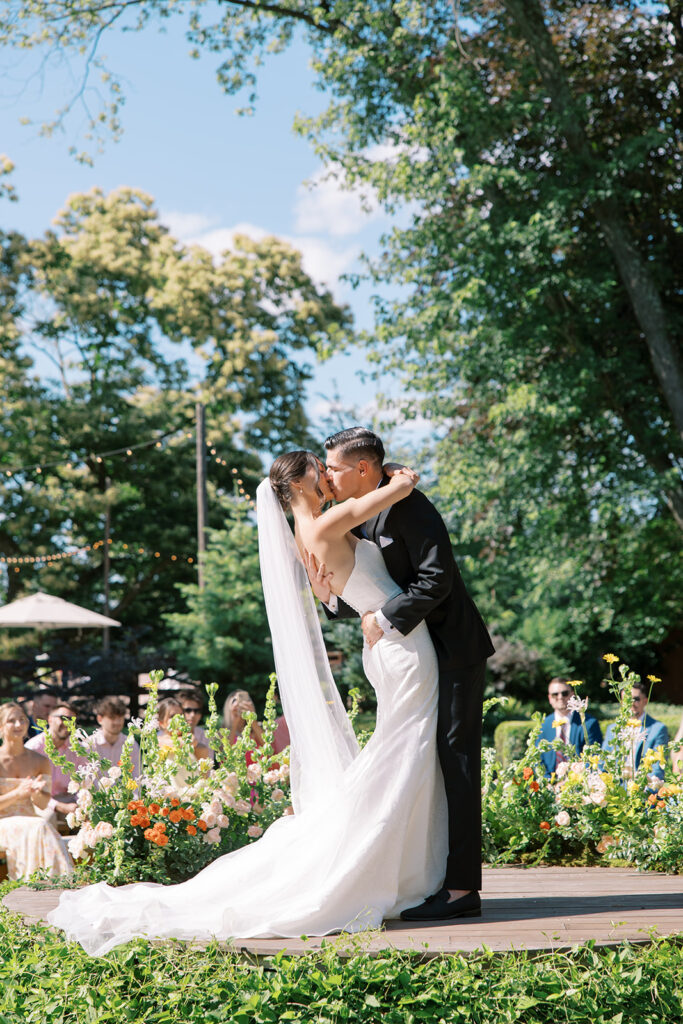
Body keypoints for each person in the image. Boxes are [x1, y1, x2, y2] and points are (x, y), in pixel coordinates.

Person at [48, 450, 446, 954]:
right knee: (403, 752)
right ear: (299, 483)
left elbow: (336, 593)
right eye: (317, 469)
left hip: (389, 646)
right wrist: (398, 474)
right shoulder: (325, 523)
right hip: (401, 649)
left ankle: (395, 860)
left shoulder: (310, 534)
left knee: (401, 751)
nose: (326, 475)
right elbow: (401, 488)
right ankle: (383, 862)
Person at [316, 428, 494, 921]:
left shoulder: (412, 506)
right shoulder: (361, 515)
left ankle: (462, 890)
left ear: (364, 469)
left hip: (452, 649)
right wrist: (333, 598)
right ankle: (426, 875)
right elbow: (366, 585)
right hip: (407, 656)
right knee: (418, 760)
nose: (329, 475)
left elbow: (437, 579)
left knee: (456, 759)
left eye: (334, 467)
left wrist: (384, 618)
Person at [0, 702, 73, 879]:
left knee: (40, 826)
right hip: (3, 822)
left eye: (22, 720)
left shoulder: (40, 761)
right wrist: (18, 793)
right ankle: (54, 881)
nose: (18, 725)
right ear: (1, 726)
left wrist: (37, 792)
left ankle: (53, 883)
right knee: (40, 826)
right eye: (12, 721)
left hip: (30, 821)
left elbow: (42, 803)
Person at [25, 701, 88, 820]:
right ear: (50, 719)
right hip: (40, 801)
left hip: (69, 799)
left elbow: (84, 783)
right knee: (48, 817)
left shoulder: (79, 749)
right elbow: (30, 789)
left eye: (72, 720)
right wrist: (58, 806)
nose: (68, 723)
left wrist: (82, 803)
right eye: (64, 718)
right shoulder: (33, 748)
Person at [536, 678, 603, 777]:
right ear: (550, 698)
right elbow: (538, 760)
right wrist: (549, 783)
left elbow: (594, 759)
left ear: (572, 695)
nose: (560, 697)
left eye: (564, 693)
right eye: (555, 694)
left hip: (579, 784)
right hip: (550, 785)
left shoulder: (588, 724)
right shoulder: (543, 725)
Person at [602, 680, 669, 779]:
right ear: (621, 702)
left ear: (645, 701)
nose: (631, 703)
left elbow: (657, 769)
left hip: (643, 787)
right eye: (627, 699)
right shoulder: (613, 729)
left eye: (636, 699)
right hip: (616, 787)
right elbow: (603, 762)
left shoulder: (658, 729)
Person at [86, 696, 141, 780]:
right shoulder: (89, 745)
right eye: (112, 717)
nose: (117, 722)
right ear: (100, 719)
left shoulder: (131, 745)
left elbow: (136, 777)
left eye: (120, 717)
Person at [223, 689, 290, 755]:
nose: (240, 703)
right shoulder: (222, 732)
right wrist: (234, 722)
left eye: (247, 700)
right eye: (234, 700)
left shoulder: (259, 727)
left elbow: (268, 749)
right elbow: (226, 753)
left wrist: (252, 719)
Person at [157, 697, 211, 762]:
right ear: (161, 723)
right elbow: (162, 742)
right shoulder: (157, 741)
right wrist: (184, 742)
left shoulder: (193, 742)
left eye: (180, 715)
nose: (178, 719)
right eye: (172, 716)